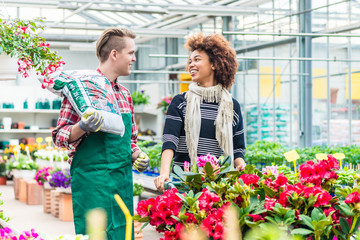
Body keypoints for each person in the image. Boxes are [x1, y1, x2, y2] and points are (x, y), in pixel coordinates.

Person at [52, 27, 149, 239]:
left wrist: (138, 155)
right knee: (96, 234)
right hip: (92, 182)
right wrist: (82, 127)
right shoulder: (82, 90)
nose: (134, 58)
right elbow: (59, 137)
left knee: (121, 232)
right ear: (115, 54)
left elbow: (130, 140)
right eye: (131, 53)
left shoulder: (124, 95)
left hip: (121, 181)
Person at [154, 33, 246, 192]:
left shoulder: (232, 106)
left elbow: (238, 149)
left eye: (197, 59)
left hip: (219, 185)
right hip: (184, 183)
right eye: (189, 61)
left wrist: (242, 169)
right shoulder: (181, 102)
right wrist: (164, 174)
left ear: (214, 64)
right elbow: (170, 142)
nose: (191, 65)